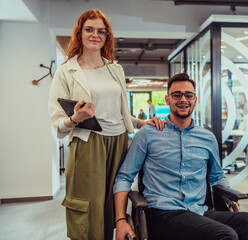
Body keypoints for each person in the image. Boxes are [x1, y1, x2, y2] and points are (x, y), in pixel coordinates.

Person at [48, 9, 164, 240]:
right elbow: (57, 123)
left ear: (107, 36)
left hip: (120, 142)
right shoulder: (67, 71)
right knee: (88, 206)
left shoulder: (115, 69)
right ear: (79, 33)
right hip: (88, 143)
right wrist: (76, 118)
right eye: (89, 29)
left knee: (114, 204)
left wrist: (143, 122)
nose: (95, 35)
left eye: (101, 31)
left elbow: (120, 112)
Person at [113, 73, 248, 240]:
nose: (183, 99)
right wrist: (121, 220)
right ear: (167, 100)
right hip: (162, 214)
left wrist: (231, 200)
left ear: (195, 100)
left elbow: (217, 176)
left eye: (188, 95)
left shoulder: (207, 137)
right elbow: (124, 177)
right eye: (177, 95)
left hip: (198, 211)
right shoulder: (148, 134)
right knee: (225, 235)